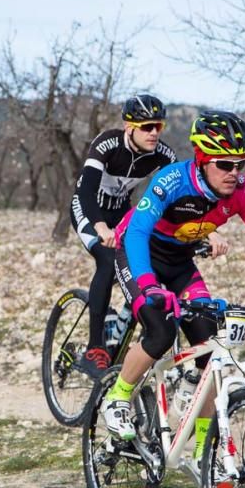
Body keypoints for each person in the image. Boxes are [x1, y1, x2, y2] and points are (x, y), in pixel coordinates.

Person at [102, 110, 245, 466]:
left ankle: (203, 450)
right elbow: (138, 232)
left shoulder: (242, 191)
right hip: (137, 255)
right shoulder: (172, 181)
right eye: (224, 164)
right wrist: (149, 285)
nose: (234, 173)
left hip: (180, 264)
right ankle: (118, 397)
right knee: (160, 329)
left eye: (240, 164)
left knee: (211, 344)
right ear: (202, 160)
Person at [69, 94, 178, 378]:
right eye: (147, 127)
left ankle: (127, 332)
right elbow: (85, 191)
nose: (154, 132)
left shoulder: (162, 154)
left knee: (150, 263)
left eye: (158, 126)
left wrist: (208, 231)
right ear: (129, 127)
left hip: (122, 214)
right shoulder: (107, 144)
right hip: (89, 209)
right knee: (107, 260)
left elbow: (180, 195)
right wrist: (100, 227)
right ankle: (96, 347)